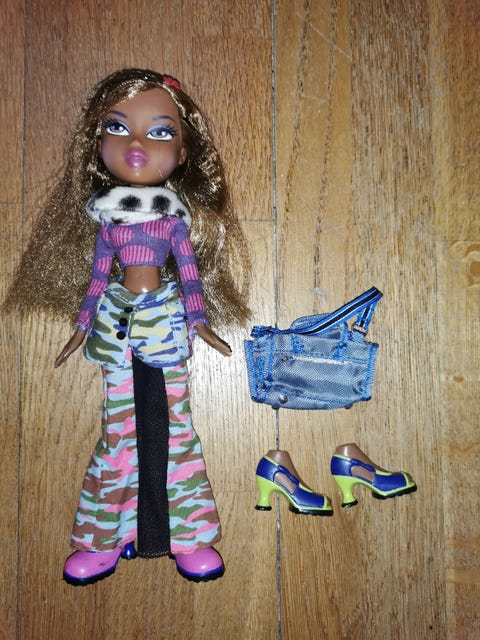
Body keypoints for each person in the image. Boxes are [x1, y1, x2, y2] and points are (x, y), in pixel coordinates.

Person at [8, 68, 250, 584]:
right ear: (97, 144)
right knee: (117, 430)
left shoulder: (172, 221)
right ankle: (104, 536)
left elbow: (189, 275)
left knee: (175, 426)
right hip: (115, 325)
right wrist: (81, 327)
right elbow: (98, 278)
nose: (137, 145)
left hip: (165, 323)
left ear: (183, 152)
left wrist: (201, 322)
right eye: (118, 128)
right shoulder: (108, 221)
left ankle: (189, 536)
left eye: (160, 132)